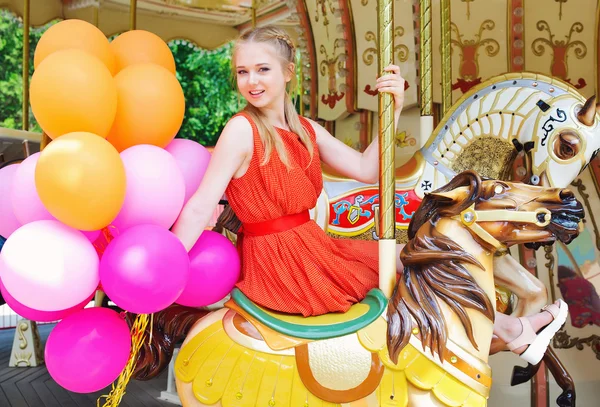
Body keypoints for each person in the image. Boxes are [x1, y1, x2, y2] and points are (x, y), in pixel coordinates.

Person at [171, 25, 565, 364]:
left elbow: (365, 169)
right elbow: (203, 203)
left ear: (288, 73)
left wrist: (390, 112)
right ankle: (515, 330)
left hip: (312, 245)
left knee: (416, 257)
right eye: (243, 71)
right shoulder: (242, 130)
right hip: (280, 261)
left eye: (263, 69)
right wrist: (168, 267)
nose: (252, 81)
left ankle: (509, 330)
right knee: (414, 263)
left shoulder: (306, 129)